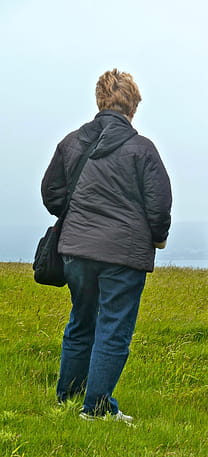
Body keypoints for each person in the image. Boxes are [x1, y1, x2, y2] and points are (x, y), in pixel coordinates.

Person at [41, 68, 172, 422]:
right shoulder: (142, 149)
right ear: (133, 106)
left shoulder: (70, 143)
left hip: (76, 251)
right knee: (114, 329)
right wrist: (158, 237)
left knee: (81, 322)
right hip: (124, 254)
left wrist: (79, 216)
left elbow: (51, 193)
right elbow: (159, 206)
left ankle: (69, 399)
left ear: (99, 100)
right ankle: (96, 410)